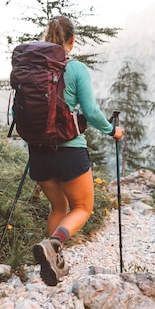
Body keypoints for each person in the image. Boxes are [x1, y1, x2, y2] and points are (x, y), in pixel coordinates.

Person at [29, 15, 123, 287]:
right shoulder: (77, 69)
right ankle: (55, 243)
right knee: (82, 207)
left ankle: (54, 263)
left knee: (58, 205)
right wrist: (112, 131)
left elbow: (15, 112)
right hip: (69, 151)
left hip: (38, 152)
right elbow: (91, 112)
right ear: (71, 40)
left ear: (46, 37)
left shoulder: (31, 70)